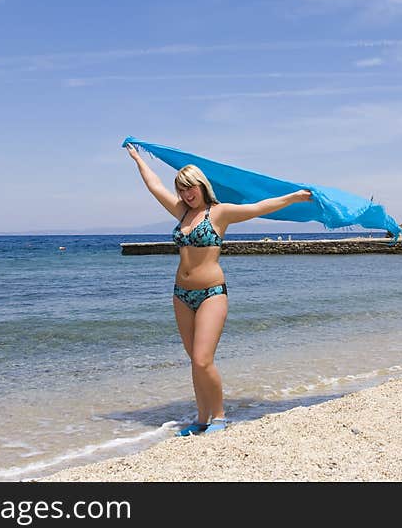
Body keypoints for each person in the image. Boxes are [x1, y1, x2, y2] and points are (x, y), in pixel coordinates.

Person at [126, 143, 312, 435]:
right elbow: (154, 185)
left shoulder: (219, 213)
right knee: (194, 362)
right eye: (182, 189)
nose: (187, 194)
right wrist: (138, 158)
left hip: (212, 293)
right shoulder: (181, 213)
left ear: (202, 185)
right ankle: (201, 418)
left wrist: (293, 197)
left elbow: (258, 208)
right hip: (180, 295)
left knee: (203, 359)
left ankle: (221, 417)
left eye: (191, 188)